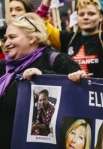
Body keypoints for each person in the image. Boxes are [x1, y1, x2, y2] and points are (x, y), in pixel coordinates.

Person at [0, 14, 80, 149]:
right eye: (5, 38)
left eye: (12, 37)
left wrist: (44, 78)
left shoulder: (56, 60)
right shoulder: (4, 66)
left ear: (32, 37)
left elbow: (77, 97)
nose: (6, 43)